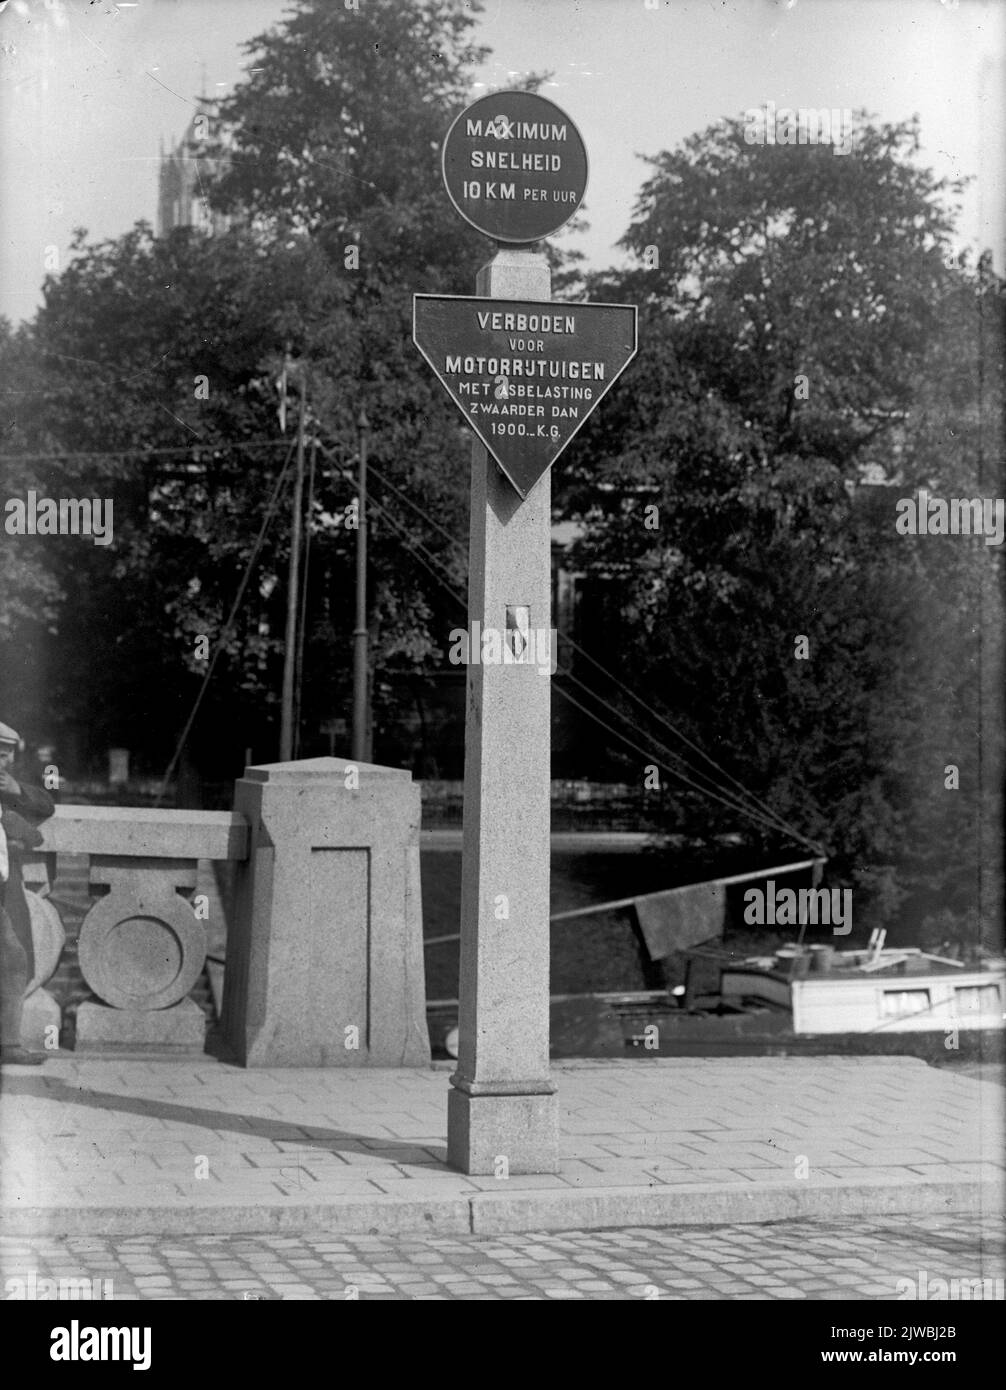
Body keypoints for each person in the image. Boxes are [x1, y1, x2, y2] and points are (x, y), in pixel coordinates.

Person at [0, 721, 55, 1065]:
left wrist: (17, 792)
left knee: (14, 958)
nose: (1, 762)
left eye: (5, 755)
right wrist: (9, 819)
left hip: (3, 888)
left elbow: (46, 805)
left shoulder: (6, 786)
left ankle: (7, 1043)